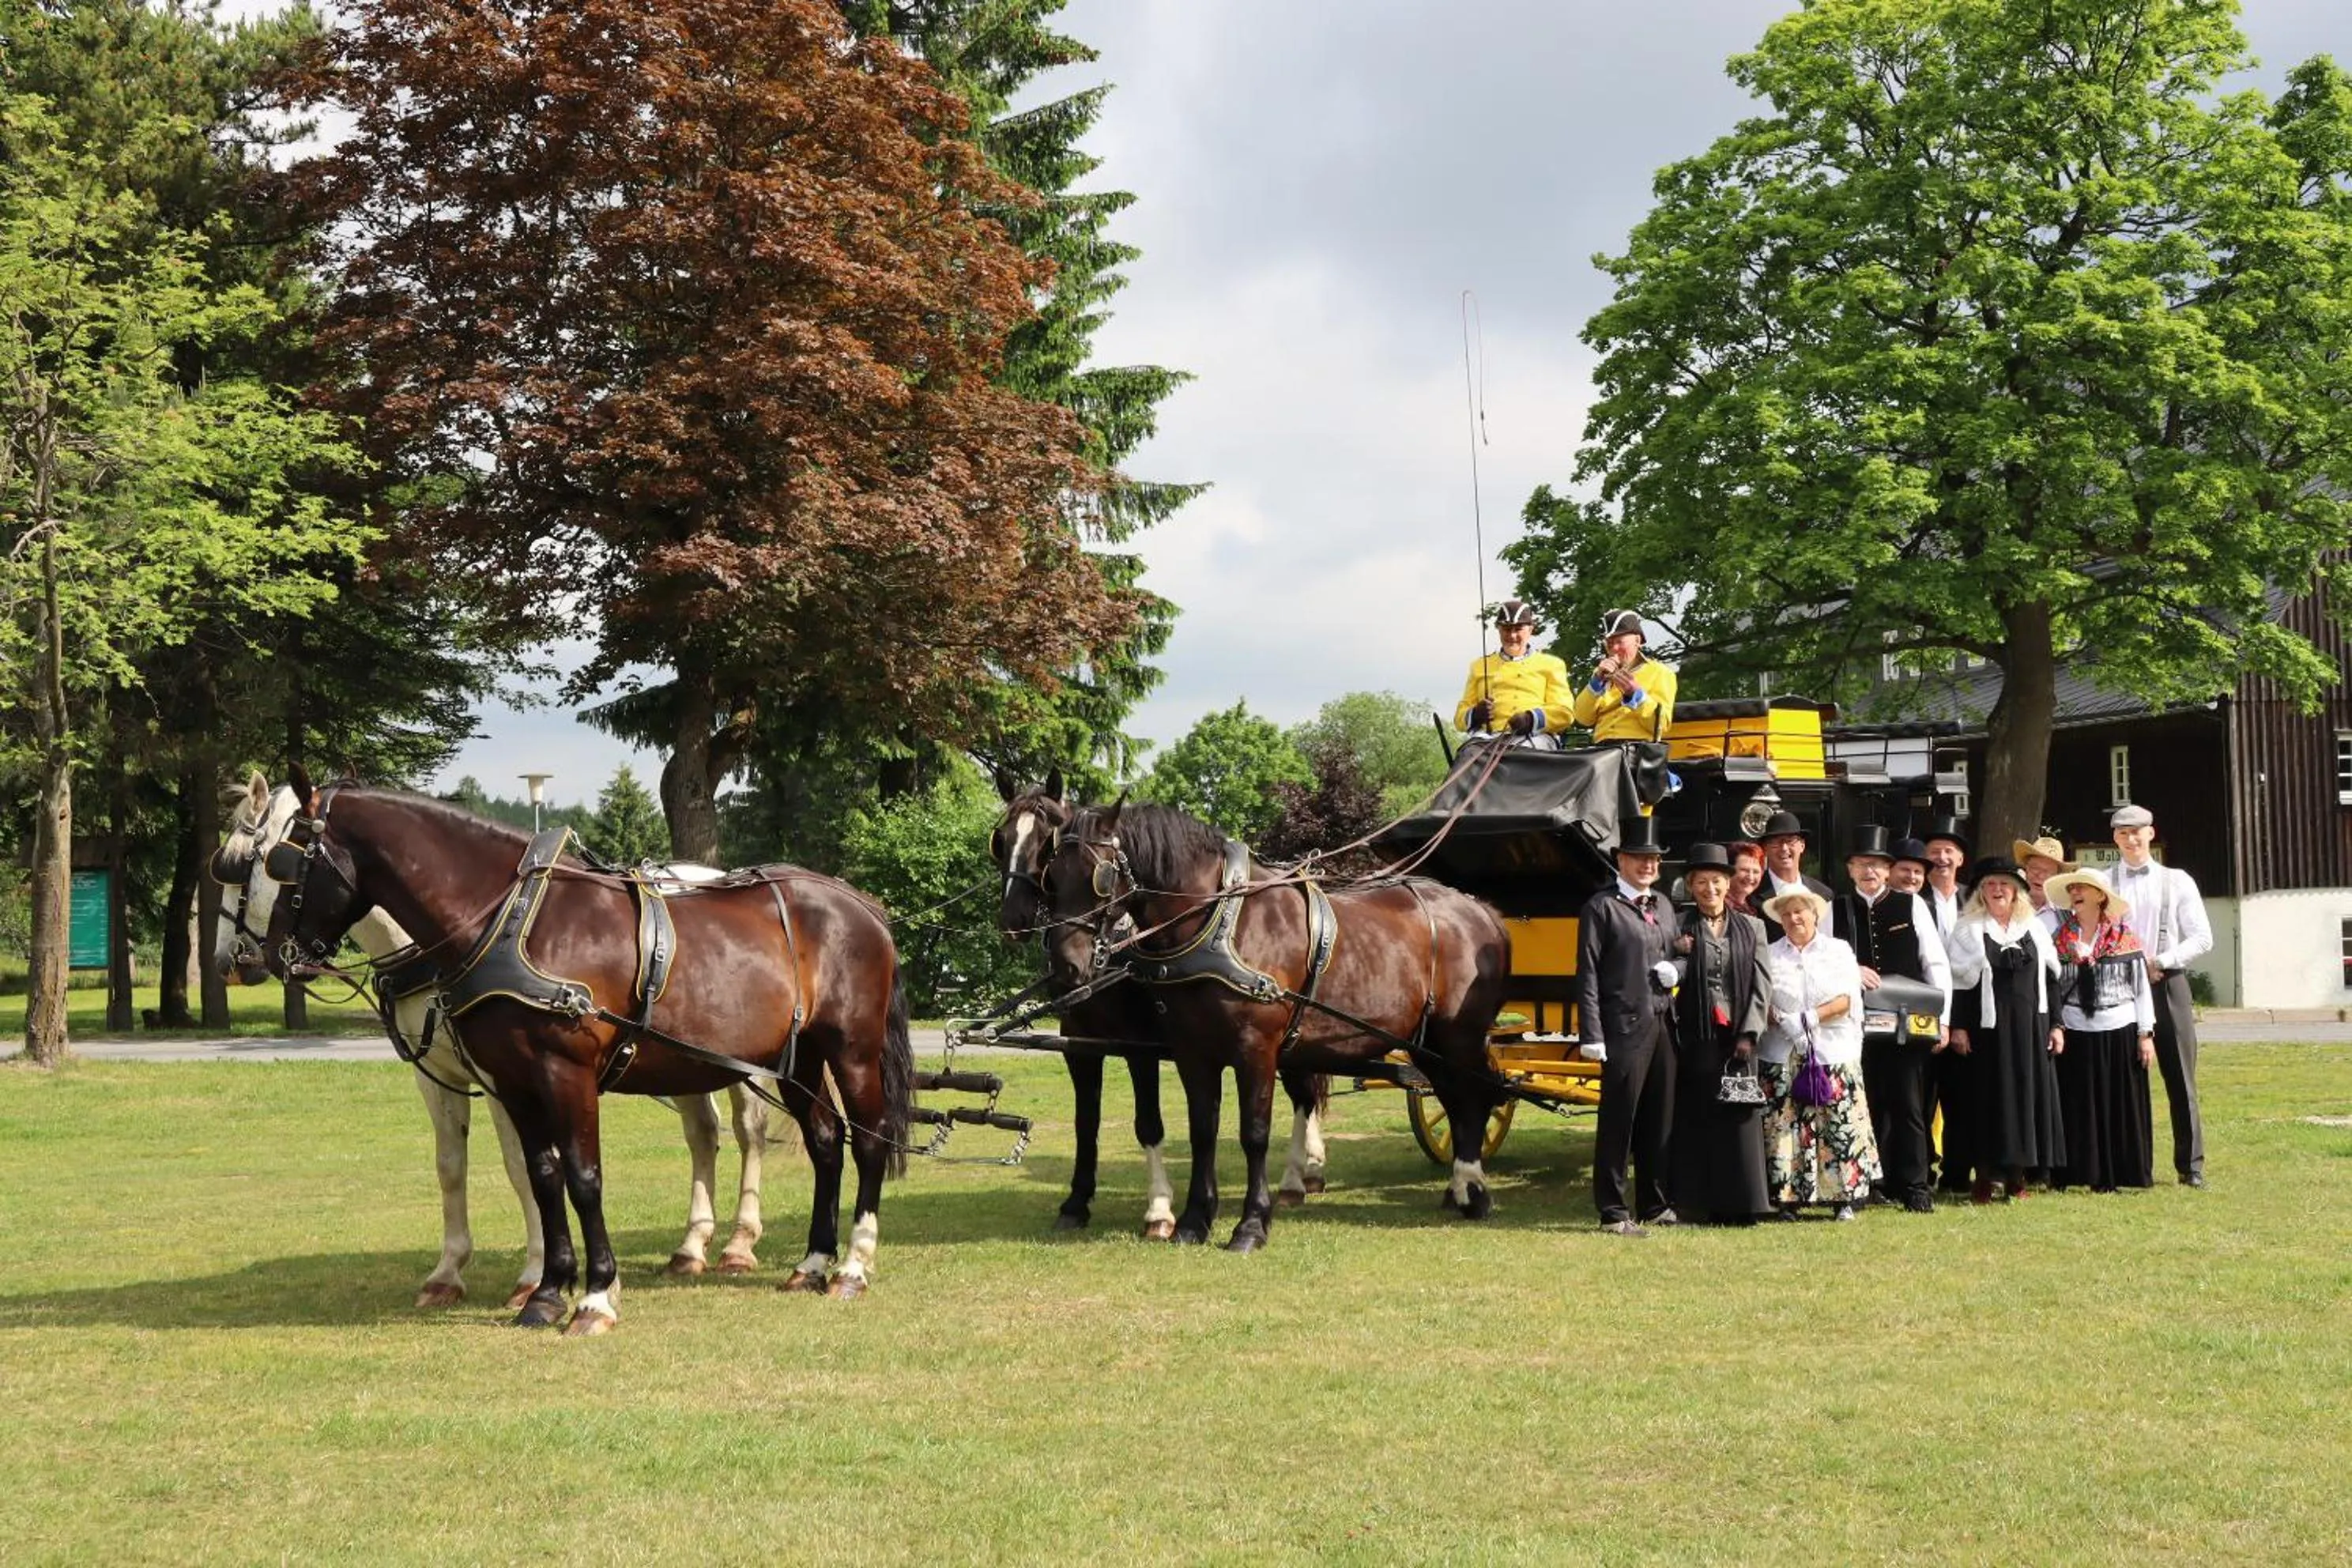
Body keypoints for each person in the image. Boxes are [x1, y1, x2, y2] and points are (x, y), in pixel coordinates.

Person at [1831, 824, 1953, 1213]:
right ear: (1851, 869)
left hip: (1906, 1019)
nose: (1870, 872)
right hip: (1853, 1022)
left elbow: (1934, 961)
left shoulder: (1911, 904)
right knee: (1863, 1104)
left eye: (1878, 865)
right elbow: (1822, 962)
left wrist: (1944, 1019)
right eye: (1862, 864)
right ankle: (1868, 1181)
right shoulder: (1835, 908)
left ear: (1888, 870)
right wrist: (1852, 968)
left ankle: (1914, 1184)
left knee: (1909, 1104)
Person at [1576, 816, 1681, 1236]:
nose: (1648, 865)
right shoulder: (1601, 908)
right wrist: (1592, 1034)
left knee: (1660, 1117)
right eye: (1639, 858)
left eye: (1653, 859)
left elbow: (1680, 951)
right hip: (1621, 1027)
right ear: (1621, 860)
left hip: (1663, 1025)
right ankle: (1614, 1211)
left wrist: (1680, 967)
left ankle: (1655, 1205)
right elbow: (1586, 974)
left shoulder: (1665, 906)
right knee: (1620, 1119)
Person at [1944, 857, 2065, 1202]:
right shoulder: (1968, 929)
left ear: (2017, 891)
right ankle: (1985, 1176)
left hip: (2030, 1029)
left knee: (2027, 1100)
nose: (1997, 890)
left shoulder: (2035, 928)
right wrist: (1959, 1028)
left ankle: (2018, 1176)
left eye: (2004, 884)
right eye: (1990, 884)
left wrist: (2056, 1024)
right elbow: (1959, 984)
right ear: (1981, 891)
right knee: (1987, 1100)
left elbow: (2051, 979)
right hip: (1987, 1033)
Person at [2107, 804, 2213, 1189]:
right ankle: (2129, 1166)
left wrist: (2162, 960)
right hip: (2116, 985)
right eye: (2123, 833)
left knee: (2181, 1078)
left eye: (2138, 831)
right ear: (2115, 838)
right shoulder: (2104, 881)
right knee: (2122, 1080)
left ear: (2151, 833)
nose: (2131, 839)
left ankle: (2191, 1166)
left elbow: (2202, 937)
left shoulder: (2177, 880)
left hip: (2166, 983)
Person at [1667, 843, 1773, 1224]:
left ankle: (1742, 1205)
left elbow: (1763, 984)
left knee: (1739, 1120)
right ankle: (1698, 1202)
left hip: (1739, 1037)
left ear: (1728, 884)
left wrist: (1750, 1033)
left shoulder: (1754, 927)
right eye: (1701, 883)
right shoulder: (1679, 925)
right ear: (1691, 887)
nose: (1709, 889)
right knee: (1698, 1117)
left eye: (1716, 881)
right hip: (1697, 1035)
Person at [1758, 885, 1879, 1219]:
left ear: (1814, 914)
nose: (1794, 918)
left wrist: (1810, 1018)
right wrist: (1783, 1021)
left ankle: (1844, 1199)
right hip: (1783, 1050)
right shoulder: (1770, 953)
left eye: (1800, 911)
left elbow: (1847, 998)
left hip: (1832, 1050)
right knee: (1785, 1126)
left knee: (1838, 1123)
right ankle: (1788, 1200)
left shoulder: (1837, 950)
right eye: (1787, 913)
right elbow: (1761, 998)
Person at [2043, 868, 2156, 1192]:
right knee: (2077, 1104)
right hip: (2075, 1029)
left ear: (2100, 896)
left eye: (2083, 888)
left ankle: (2118, 1174)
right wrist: (2057, 1025)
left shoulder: (2124, 938)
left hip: (2119, 1027)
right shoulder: (2060, 938)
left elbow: (2140, 990)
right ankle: (2076, 1173)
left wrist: (2145, 1034)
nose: (2076, 893)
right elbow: (2052, 986)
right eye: (2073, 888)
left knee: (2116, 1104)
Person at [1919, 816, 1975, 1196]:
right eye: (1935, 851)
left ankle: (1957, 1173)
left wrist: (1961, 1023)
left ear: (1960, 858)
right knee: (1921, 1099)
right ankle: (1922, 1171)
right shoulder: (1911, 898)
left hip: (1966, 1017)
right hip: (1923, 1011)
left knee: (1962, 1100)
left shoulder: (1974, 899)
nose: (1941, 857)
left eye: (1949, 851)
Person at [1454, 600, 1574, 748]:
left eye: (1518, 629)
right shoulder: (1479, 666)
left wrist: (1531, 719)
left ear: (1530, 630)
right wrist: (1476, 714)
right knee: (1466, 758)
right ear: (1499, 629)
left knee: (1524, 759)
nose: (1512, 635)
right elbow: (1459, 718)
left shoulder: (1552, 665)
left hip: (1535, 737)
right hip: (1487, 739)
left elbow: (1564, 712)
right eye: (1506, 629)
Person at [1570, 609, 1679, 744]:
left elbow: (1661, 725)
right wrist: (1596, 682)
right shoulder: (1601, 674)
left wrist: (1635, 694)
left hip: (1637, 749)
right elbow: (1582, 718)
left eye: (1619, 642)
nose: (1614, 649)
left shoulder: (1660, 672)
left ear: (1637, 641)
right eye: (1609, 643)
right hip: (1601, 751)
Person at [1755, 810, 1834, 940]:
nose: (1784, 848)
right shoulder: (1752, 896)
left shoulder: (1823, 894)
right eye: (1776, 842)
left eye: (1791, 841)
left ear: (1802, 846)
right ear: (1766, 849)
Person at [2012, 834, 2075, 919]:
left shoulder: (2067, 916)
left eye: (2048, 872)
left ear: (2056, 877)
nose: (2041, 875)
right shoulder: (2006, 906)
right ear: (2026, 869)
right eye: (2035, 868)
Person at [1727, 840, 1766, 918]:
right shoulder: (1719, 907)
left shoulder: (1756, 908)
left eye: (1756, 872)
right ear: (1729, 870)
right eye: (1744, 870)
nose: (1750, 877)